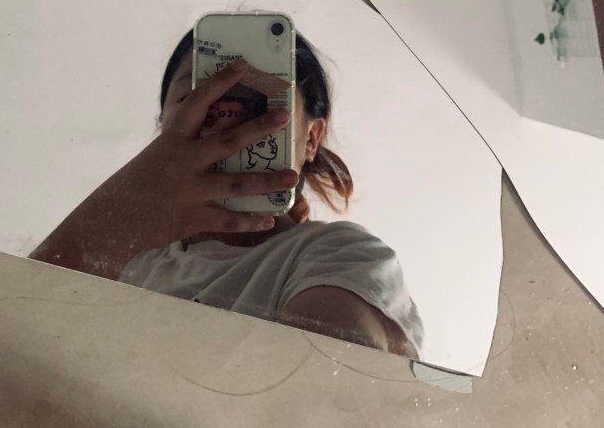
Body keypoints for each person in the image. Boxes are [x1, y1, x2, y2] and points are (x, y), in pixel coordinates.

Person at [31, 30, 423, 358]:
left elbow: (329, 401)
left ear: (310, 139)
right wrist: (118, 212)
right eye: (197, 99)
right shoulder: (122, 265)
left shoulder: (339, 254)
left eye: (256, 103)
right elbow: (9, 350)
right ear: (163, 129)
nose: (228, 119)